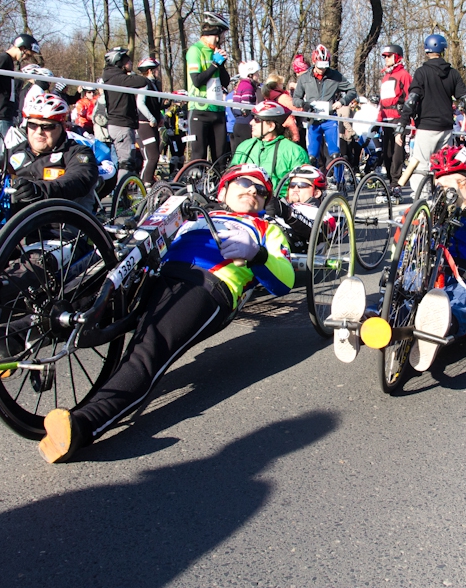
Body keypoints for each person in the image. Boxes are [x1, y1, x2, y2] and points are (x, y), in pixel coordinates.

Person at [37, 163, 295, 463]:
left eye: (260, 191)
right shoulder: (194, 214)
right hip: (155, 273)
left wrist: (258, 253)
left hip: (208, 285)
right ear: (222, 190)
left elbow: (285, 280)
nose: (252, 191)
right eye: (243, 184)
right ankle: (1, 342)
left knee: (147, 350)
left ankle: (81, 426)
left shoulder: (266, 228)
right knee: (78, 305)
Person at [328, 146, 466, 369]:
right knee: (406, 285)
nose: (450, 192)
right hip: (430, 278)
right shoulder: (427, 214)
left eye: (458, 184)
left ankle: (439, 324)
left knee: (457, 297)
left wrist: (464, 219)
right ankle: (364, 323)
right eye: (442, 186)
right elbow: (398, 255)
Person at [0, 92, 102, 354]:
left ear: (62, 127)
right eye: (33, 126)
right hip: (13, 229)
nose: (39, 132)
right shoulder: (14, 155)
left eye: (48, 127)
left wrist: (40, 190)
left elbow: (80, 180)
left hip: (60, 232)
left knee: (35, 264)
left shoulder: (78, 153)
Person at [395, 34, 466, 195]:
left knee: (421, 168)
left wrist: (402, 125)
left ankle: (422, 204)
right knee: (443, 167)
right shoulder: (452, 74)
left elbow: (411, 100)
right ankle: (443, 201)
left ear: (427, 51)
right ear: (443, 50)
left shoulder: (422, 72)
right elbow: (465, 101)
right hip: (445, 127)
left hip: (426, 126)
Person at [291, 44, 356, 166]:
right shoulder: (305, 78)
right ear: (314, 62)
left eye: (325, 67)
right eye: (320, 67)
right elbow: (295, 99)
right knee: (312, 156)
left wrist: (341, 102)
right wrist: (305, 105)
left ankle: (339, 182)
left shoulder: (335, 76)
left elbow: (352, 91)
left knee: (335, 154)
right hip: (313, 120)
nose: (322, 70)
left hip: (330, 120)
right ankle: (314, 182)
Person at [0, 33, 40, 159]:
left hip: (6, 114)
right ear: (21, 48)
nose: (27, 58)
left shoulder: (10, 63)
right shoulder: (2, 59)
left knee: (8, 153)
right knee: (3, 155)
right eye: (28, 54)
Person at [230, 101, 309, 191]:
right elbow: (230, 176)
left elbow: (302, 189)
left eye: (257, 119)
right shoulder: (245, 146)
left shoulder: (294, 152)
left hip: (278, 203)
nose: (251, 122)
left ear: (271, 126)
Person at [186, 11, 232, 162]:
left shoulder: (215, 51)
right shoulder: (195, 50)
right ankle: (196, 184)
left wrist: (222, 64)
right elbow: (197, 81)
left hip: (217, 109)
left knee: (220, 156)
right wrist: (214, 64)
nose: (223, 39)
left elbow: (225, 82)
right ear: (216, 34)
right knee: (199, 156)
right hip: (200, 110)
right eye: (222, 35)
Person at [101, 47, 150, 181]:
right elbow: (142, 82)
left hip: (121, 124)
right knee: (125, 162)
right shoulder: (117, 78)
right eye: (127, 61)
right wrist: (134, 75)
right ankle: (121, 194)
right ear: (119, 62)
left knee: (125, 161)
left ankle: (122, 191)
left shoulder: (113, 76)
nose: (130, 63)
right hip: (121, 125)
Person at [273, 163, 329, 252]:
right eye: (292, 185)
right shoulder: (280, 204)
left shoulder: (318, 212)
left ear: (316, 193)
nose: (295, 188)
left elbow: (321, 232)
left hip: (292, 247)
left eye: (302, 185)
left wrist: (287, 212)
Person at [377, 43, 411, 182]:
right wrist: (378, 121)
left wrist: (409, 121)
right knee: (387, 153)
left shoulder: (404, 75)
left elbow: (411, 99)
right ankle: (390, 180)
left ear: (397, 57)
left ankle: (396, 182)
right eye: (385, 57)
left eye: (389, 56)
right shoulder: (385, 78)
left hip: (398, 118)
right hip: (386, 120)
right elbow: (382, 101)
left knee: (397, 153)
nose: (386, 59)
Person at [135, 57, 166, 185]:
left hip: (153, 124)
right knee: (151, 156)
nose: (158, 72)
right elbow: (140, 103)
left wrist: (160, 117)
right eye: (156, 69)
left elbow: (155, 104)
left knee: (156, 155)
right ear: (149, 71)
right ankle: (145, 182)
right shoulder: (144, 83)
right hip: (144, 125)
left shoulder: (155, 84)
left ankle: (149, 180)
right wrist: (151, 118)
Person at [260, 71, 300, 142]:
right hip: (288, 127)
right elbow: (297, 108)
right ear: (277, 85)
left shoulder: (267, 97)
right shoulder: (282, 97)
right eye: (281, 84)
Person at [230, 60, 261, 149]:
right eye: (256, 73)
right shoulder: (248, 87)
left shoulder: (240, 85)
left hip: (237, 124)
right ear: (250, 74)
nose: (258, 76)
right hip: (246, 124)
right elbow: (246, 108)